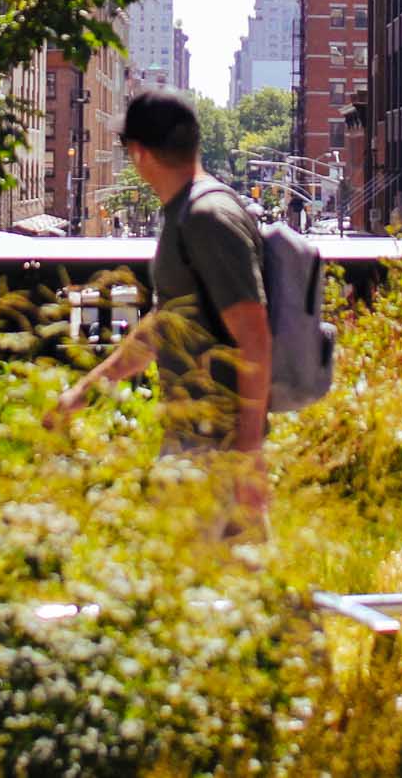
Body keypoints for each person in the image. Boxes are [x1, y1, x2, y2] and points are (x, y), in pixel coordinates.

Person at [44, 89, 272, 534]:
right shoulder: (190, 212)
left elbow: (255, 334)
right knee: (233, 591)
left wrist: (248, 451)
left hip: (211, 444)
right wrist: (87, 390)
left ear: (139, 153)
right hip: (200, 439)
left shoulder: (207, 217)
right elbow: (162, 327)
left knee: (175, 584)